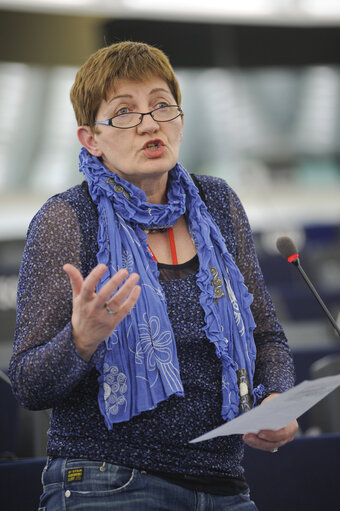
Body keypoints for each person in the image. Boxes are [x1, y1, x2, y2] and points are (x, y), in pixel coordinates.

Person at [9, 41, 298, 511]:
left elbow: (268, 336)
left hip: (224, 483)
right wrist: (80, 341)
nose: (149, 123)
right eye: (124, 112)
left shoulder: (218, 204)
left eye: (161, 105)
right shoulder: (66, 219)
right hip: (108, 481)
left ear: (180, 121)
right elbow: (28, 384)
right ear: (91, 139)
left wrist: (278, 402)